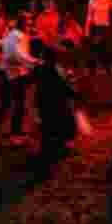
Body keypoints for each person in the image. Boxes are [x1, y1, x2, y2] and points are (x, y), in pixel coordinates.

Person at [34, 45, 80, 173]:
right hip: (55, 105)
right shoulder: (54, 70)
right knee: (56, 128)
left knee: (47, 129)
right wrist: (75, 92)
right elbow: (63, 87)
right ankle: (51, 155)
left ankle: (46, 152)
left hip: (44, 104)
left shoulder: (41, 68)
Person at [1, 13, 41, 138]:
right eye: (28, 21)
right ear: (22, 23)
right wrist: (34, 62)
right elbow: (19, 55)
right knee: (18, 102)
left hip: (16, 71)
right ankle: (15, 131)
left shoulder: (16, 34)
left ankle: (17, 129)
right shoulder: (17, 36)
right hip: (16, 73)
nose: (30, 24)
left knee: (19, 102)